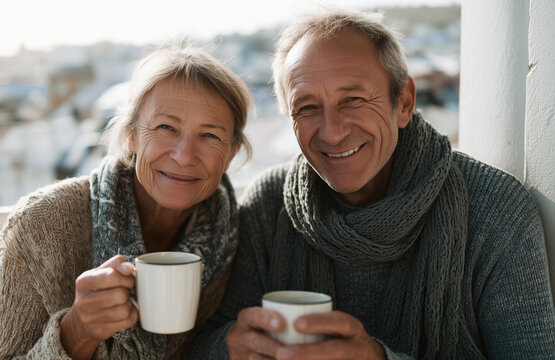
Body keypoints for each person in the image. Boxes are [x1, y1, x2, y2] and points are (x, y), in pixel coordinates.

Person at [188, 8, 555, 360]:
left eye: (353, 99)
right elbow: (205, 343)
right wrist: (228, 348)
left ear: (404, 102)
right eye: (307, 107)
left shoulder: (495, 210)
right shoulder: (269, 205)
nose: (332, 133)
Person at [0, 44, 254, 360]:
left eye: (210, 136)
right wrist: (77, 332)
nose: (184, 155)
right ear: (131, 134)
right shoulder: (42, 224)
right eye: (166, 127)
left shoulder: (234, 235)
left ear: (232, 152)